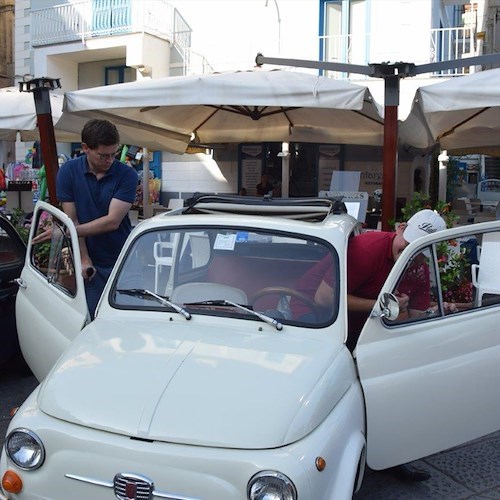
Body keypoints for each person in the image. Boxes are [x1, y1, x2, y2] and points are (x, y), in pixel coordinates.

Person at [294, 209, 448, 482]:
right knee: (336, 387)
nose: (409, 250)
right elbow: (322, 298)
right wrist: (384, 307)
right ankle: (326, 455)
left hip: (363, 326)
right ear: (400, 228)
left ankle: (391, 453)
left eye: (419, 248)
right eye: (407, 241)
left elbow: (416, 315)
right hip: (310, 316)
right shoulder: (369, 248)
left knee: (396, 383)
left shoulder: (418, 266)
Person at [56, 119, 139, 319]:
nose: (110, 160)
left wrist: (67, 232)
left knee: (129, 318)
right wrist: (84, 259)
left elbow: (113, 221)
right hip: (92, 262)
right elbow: (73, 219)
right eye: (104, 155)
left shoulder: (126, 174)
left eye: (114, 154)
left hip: (124, 259)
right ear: (85, 148)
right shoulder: (68, 172)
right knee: (94, 319)